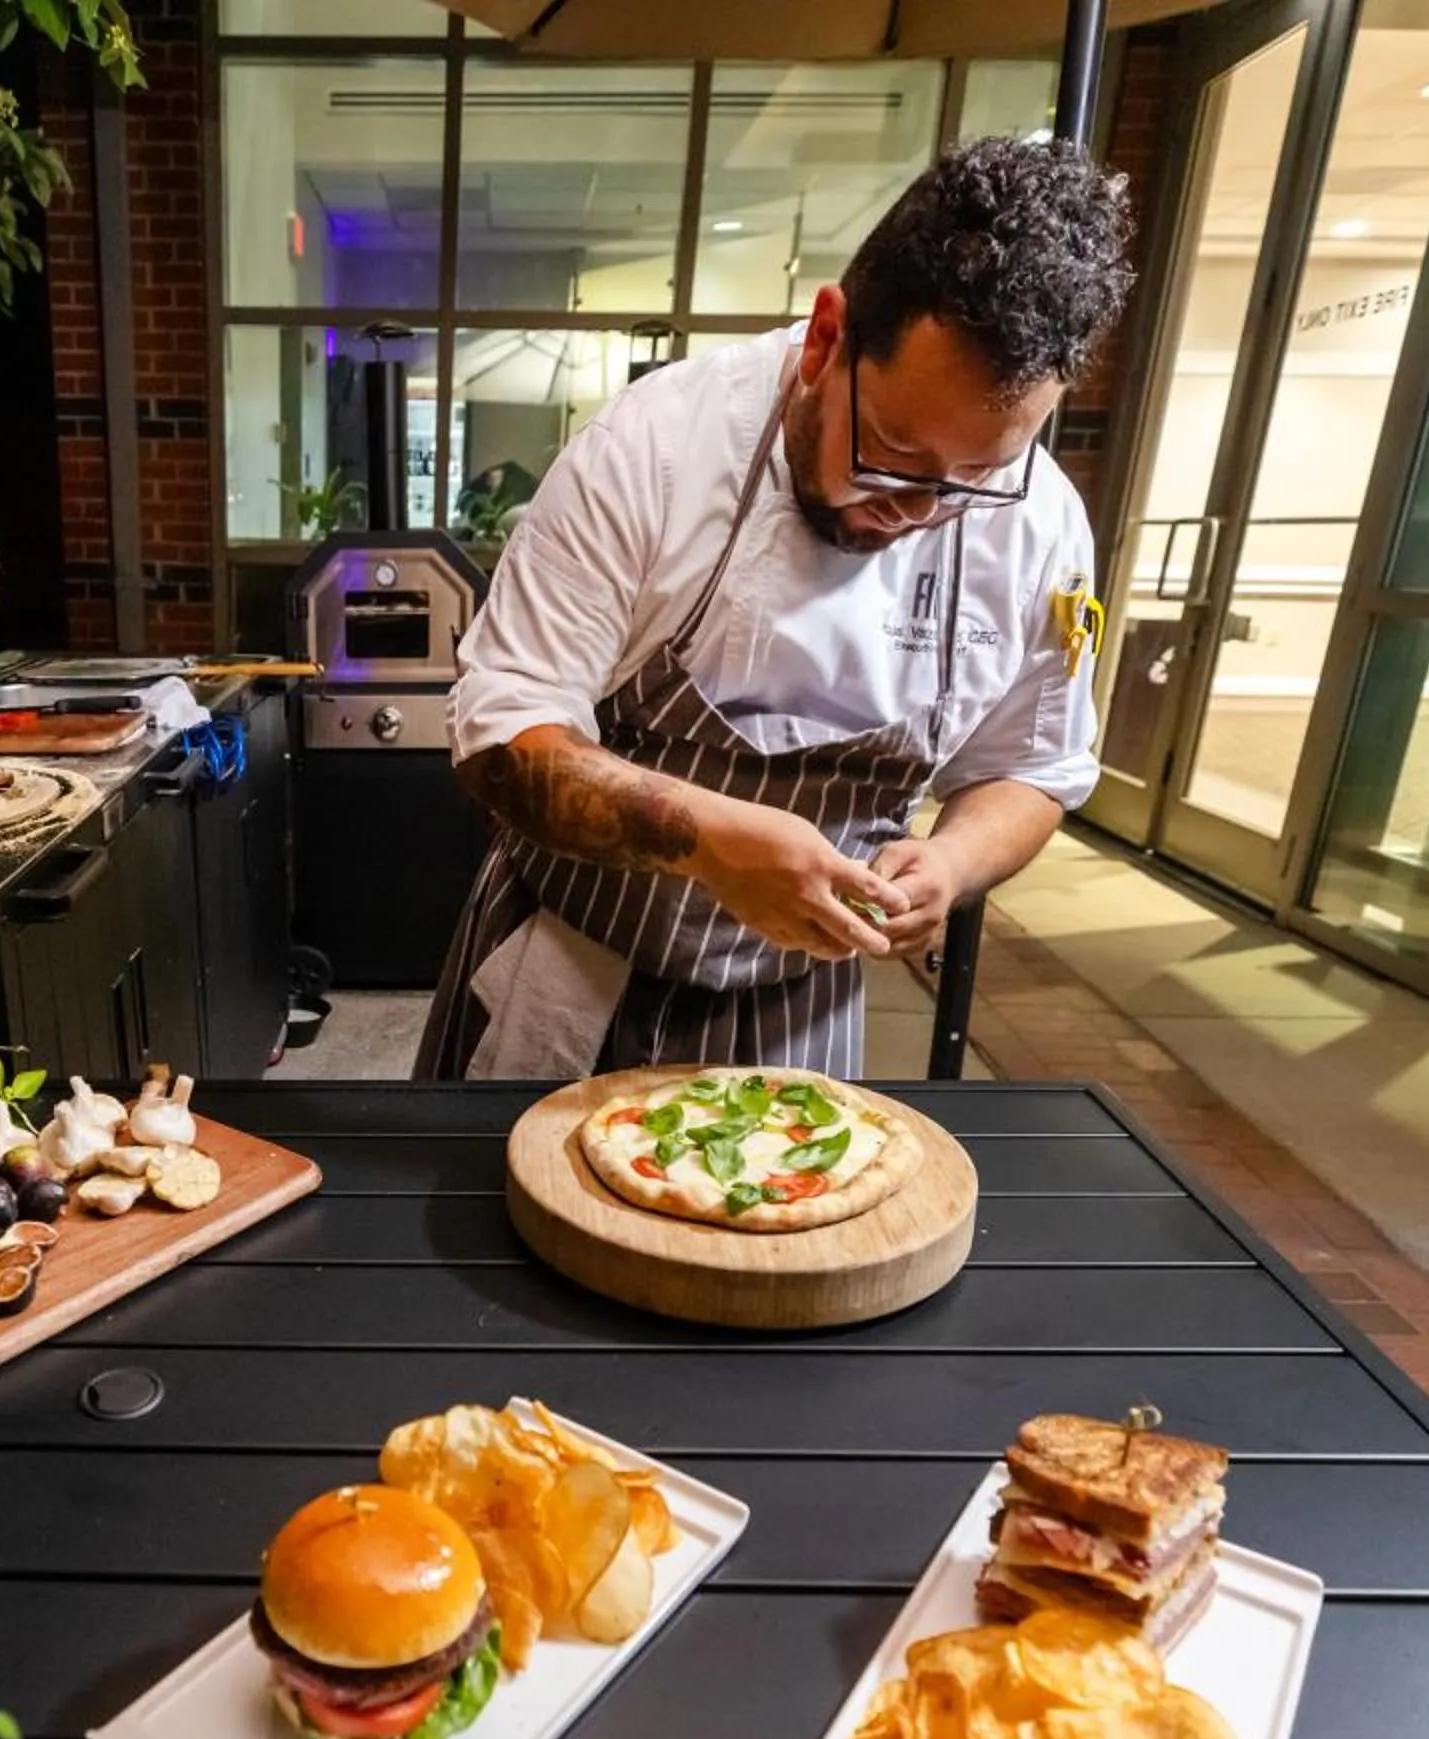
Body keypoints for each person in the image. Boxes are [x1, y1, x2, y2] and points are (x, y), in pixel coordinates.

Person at [420, 137, 1134, 1079]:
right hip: (568, 965)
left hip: (801, 1008)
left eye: (977, 479)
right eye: (892, 453)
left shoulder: (1041, 525)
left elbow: (1034, 767)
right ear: (829, 337)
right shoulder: (658, 447)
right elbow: (502, 736)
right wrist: (709, 840)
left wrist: (953, 864)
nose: (918, 512)